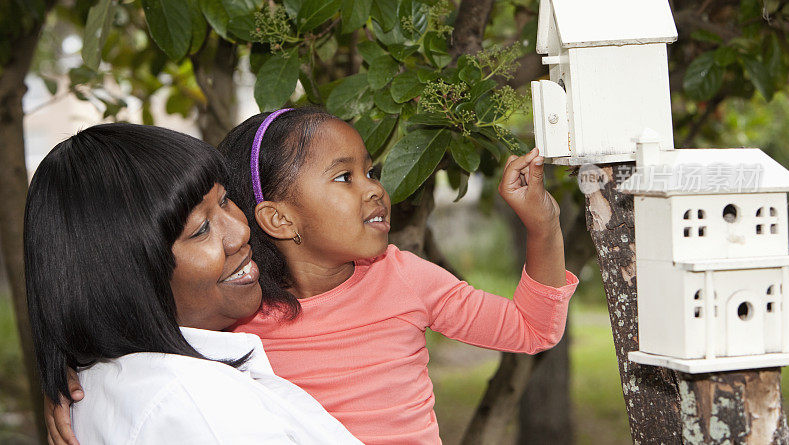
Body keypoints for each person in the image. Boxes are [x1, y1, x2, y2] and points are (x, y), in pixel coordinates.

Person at [50, 109, 578, 444]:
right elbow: (134, 329)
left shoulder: (405, 278)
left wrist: (544, 227)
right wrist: (73, 386)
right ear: (280, 218)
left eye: (371, 171)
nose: (375, 188)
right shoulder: (234, 308)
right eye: (344, 177)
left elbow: (533, 330)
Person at [28, 123, 360, 444]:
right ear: (127, 276)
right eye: (201, 230)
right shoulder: (203, 410)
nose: (241, 232)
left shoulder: (111, 382)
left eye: (226, 199)